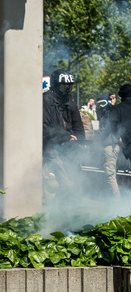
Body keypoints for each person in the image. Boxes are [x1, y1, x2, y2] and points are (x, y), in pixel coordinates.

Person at [42, 69, 85, 211]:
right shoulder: (45, 101)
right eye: (63, 86)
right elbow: (44, 129)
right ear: (55, 85)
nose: (66, 90)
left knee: (77, 186)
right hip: (51, 150)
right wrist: (65, 137)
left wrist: (75, 141)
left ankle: (68, 217)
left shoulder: (71, 104)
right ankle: (55, 218)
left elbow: (80, 132)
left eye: (69, 86)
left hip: (70, 152)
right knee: (65, 186)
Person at [96, 94, 120, 200]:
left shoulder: (109, 113)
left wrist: (98, 139)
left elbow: (106, 129)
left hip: (110, 145)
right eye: (99, 104)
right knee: (111, 173)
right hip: (112, 145)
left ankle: (116, 201)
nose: (101, 106)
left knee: (110, 174)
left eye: (103, 103)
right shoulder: (111, 112)